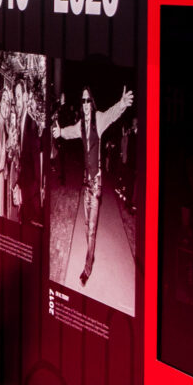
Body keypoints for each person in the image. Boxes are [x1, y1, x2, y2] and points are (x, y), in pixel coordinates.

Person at [51, 84, 135, 287]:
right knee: (86, 223)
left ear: (92, 102)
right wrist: (60, 131)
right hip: (85, 182)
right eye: (83, 101)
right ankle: (90, 253)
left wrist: (122, 104)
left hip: (96, 183)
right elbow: (70, 132)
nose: (86, 104)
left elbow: (112, 114)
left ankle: (87, 268)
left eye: (88, 100)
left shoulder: (99, 119)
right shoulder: (81, 125)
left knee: (91, 229)